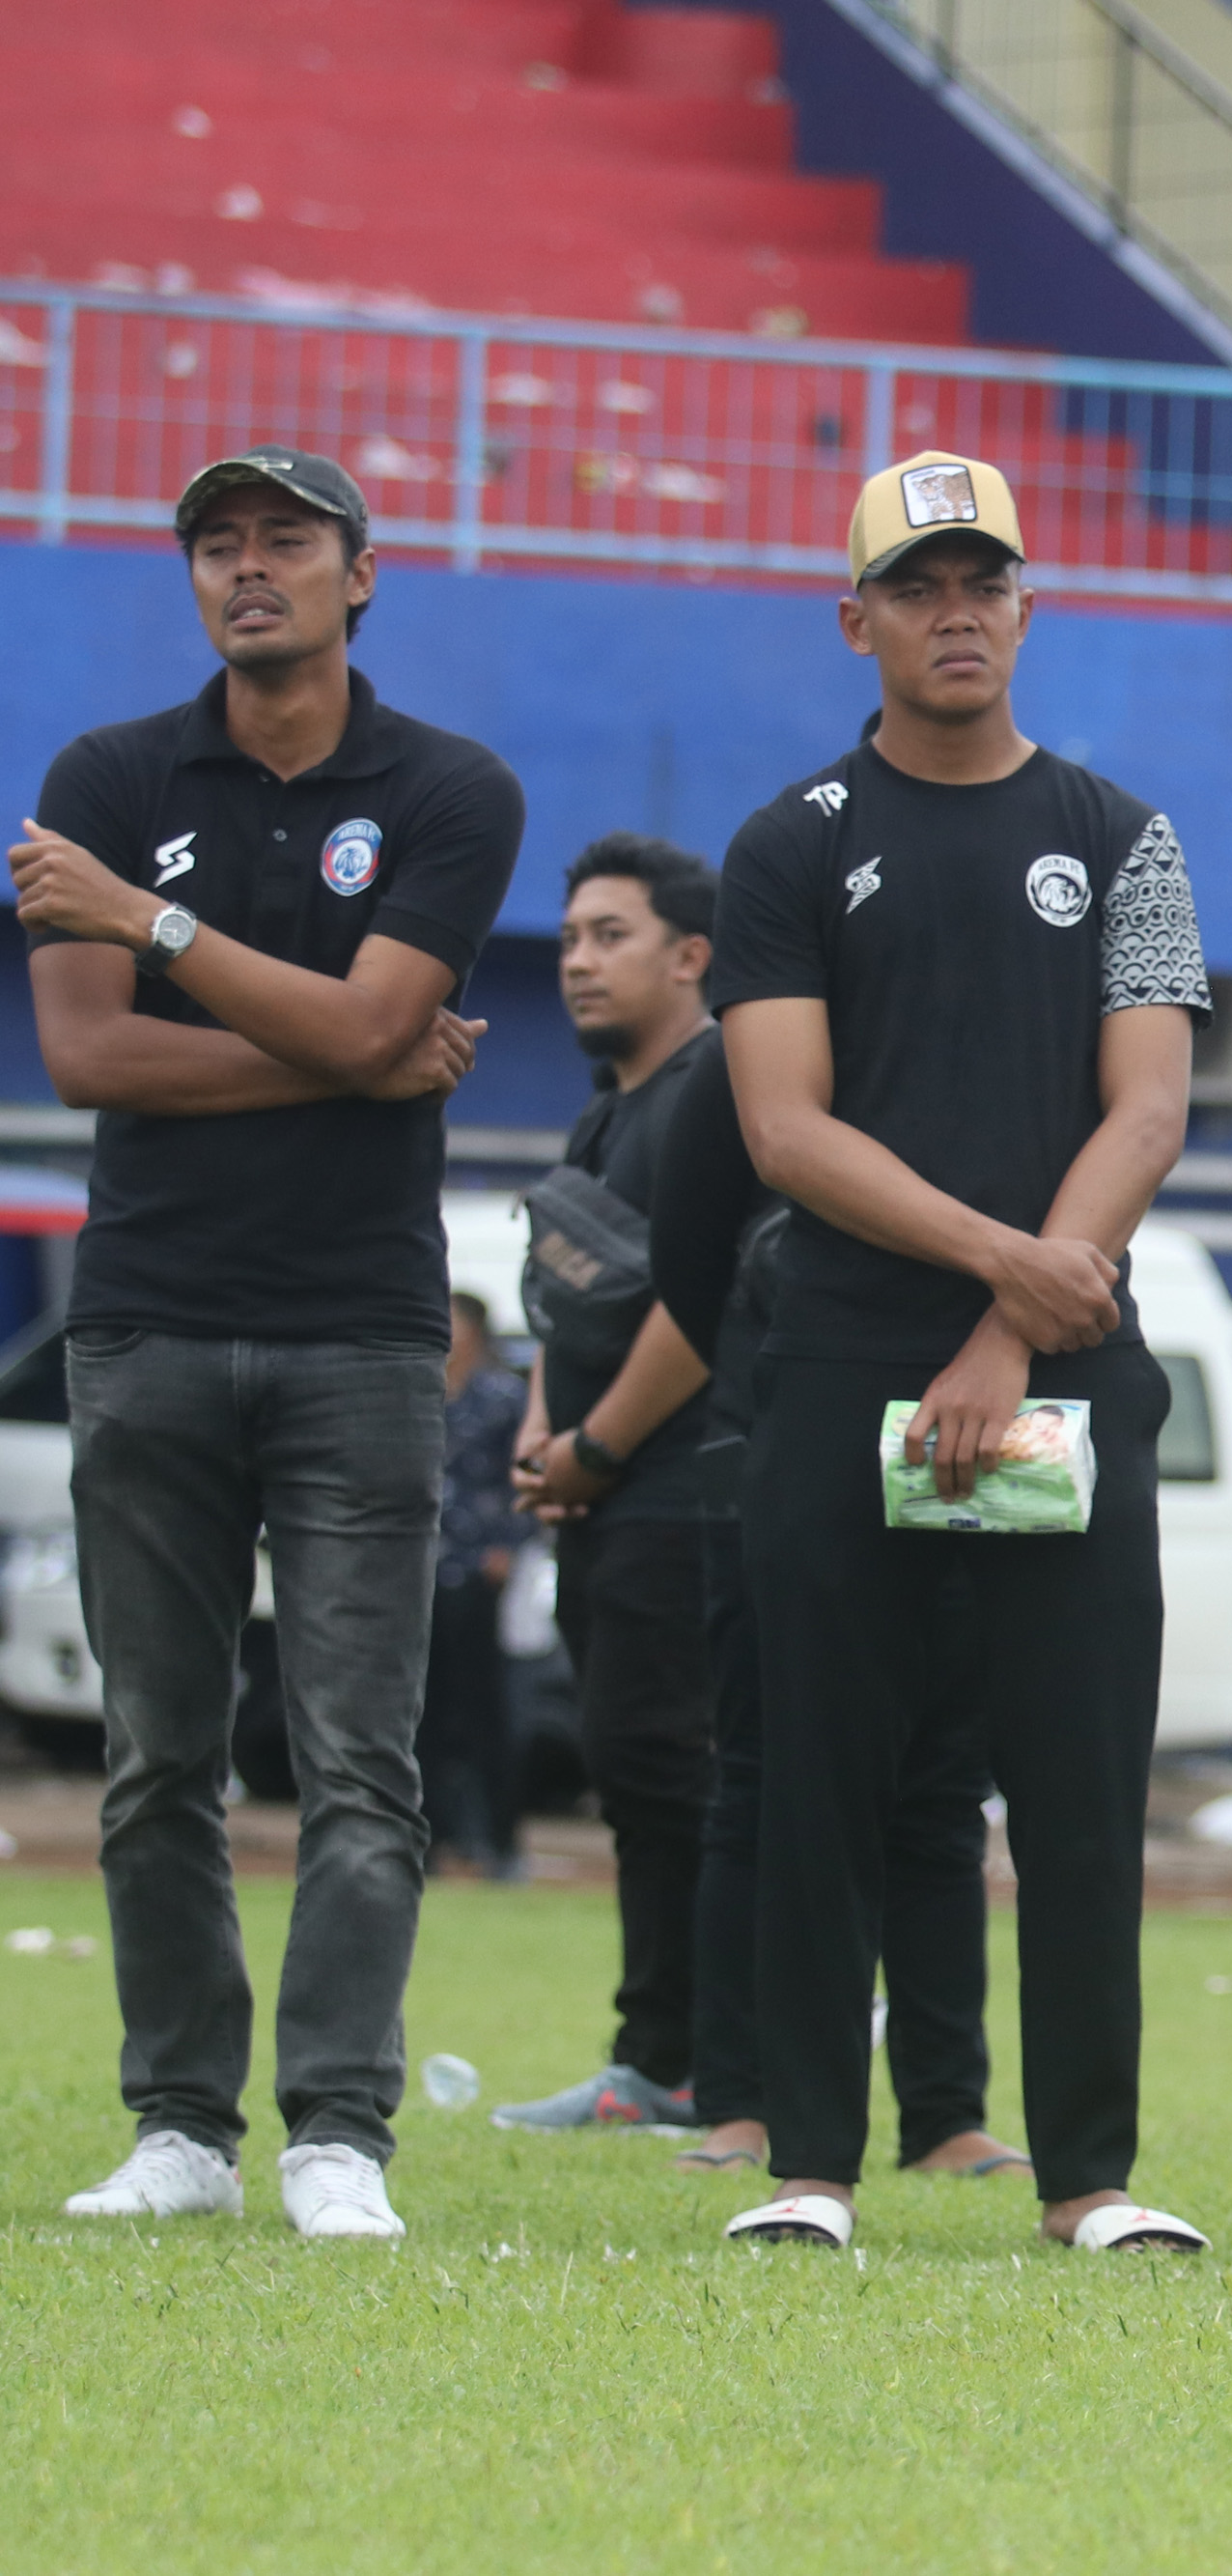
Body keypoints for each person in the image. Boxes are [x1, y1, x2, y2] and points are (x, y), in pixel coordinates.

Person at [15, 443, 522, 2241]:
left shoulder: (450, 786)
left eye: (286, 539)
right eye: (217, 543)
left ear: (358, 573)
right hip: (146, 1318)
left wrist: (155, 924)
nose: (249, 567)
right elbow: (91, 1057)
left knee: (359, 1755)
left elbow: (374, 1019)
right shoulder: (106, 774)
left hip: (362, 1333)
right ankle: (180, 2124)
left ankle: (337, 2131)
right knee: (156, 1752)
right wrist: (350, 1053)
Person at [708, 450, 1212, 2255]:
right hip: (842, 1364)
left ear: (1027, 605)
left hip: (1059, 1372)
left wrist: (1010, 1331)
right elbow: (785, 1127)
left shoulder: (1126, 836)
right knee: (822, 1779)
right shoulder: (788, 843)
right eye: (917, 586)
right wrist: (1002, 1262)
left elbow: (1149, 1109)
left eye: (983, 581)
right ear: (856, 621)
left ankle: (1089, 2179)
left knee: (1077, 1791)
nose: (955, 613)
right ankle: (808, 2171)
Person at [648, 1034, 1020, 2184]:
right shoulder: (757, 1035)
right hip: (774, 1443)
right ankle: (742, 2100)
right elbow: (686, 1247)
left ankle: (944, 2110)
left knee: (941, 1787)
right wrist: (774, 1375)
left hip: (958, 1444)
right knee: (765, 1782)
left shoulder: (999, 1036)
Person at [495, 836, 725, 2134]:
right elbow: (566, 1297)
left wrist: (598, 1446)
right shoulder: (606, 1108)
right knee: (631, 1772)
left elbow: (706, 1302)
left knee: (674, 1771)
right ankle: (657, 2058)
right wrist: (547, 1431)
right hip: (602, 1492)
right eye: (572, 936)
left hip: (680, 1496)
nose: (578, 960)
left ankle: (691, 2064)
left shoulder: (713, 1094)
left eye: (611, 934)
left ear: (691, 956)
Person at [425, 1290, 532, 1879]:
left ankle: (498, 1838)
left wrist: (510, 1544)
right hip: (420, 1569)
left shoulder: (501, 1396)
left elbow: (525, 1471)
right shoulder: (415, 1389)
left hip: (476, 1567)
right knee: (422, 1708)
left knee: (483, 1704)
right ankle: (429, 1837)